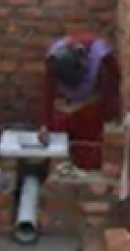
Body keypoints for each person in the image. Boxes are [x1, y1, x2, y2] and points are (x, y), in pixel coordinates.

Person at [38, 33, 121, 171]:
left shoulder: (102, 57)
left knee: (88, 135)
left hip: (92, 103)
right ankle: (60, 164)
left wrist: (103, 112)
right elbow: (48, 94)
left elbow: (111, 89)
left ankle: (86, 165)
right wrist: (44, 124)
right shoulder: (53, 60)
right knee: (59, 125)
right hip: (67, 104)